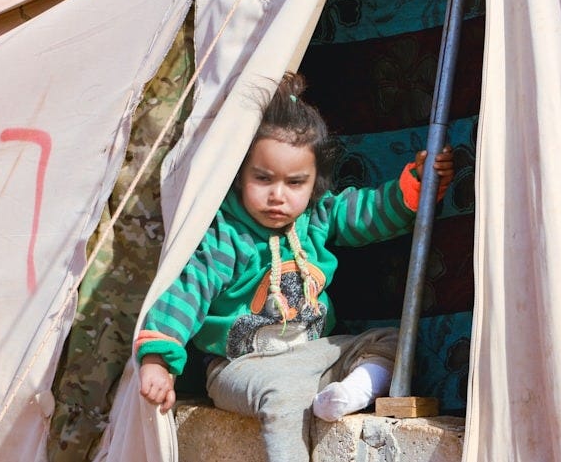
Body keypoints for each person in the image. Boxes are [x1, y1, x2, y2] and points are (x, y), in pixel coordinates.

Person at [135, 72, 454, 462]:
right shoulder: (227, 236)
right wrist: (158, 361)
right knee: (281, 397)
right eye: (263, 179)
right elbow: (188, 291)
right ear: (239, 177)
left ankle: (350, 393)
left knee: (393, 341)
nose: (277, 196)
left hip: (316, 356)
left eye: (295, 182)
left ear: (314, 182)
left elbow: (368, 212)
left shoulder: (317, 217)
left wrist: (418, 187)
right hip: (243, 368)